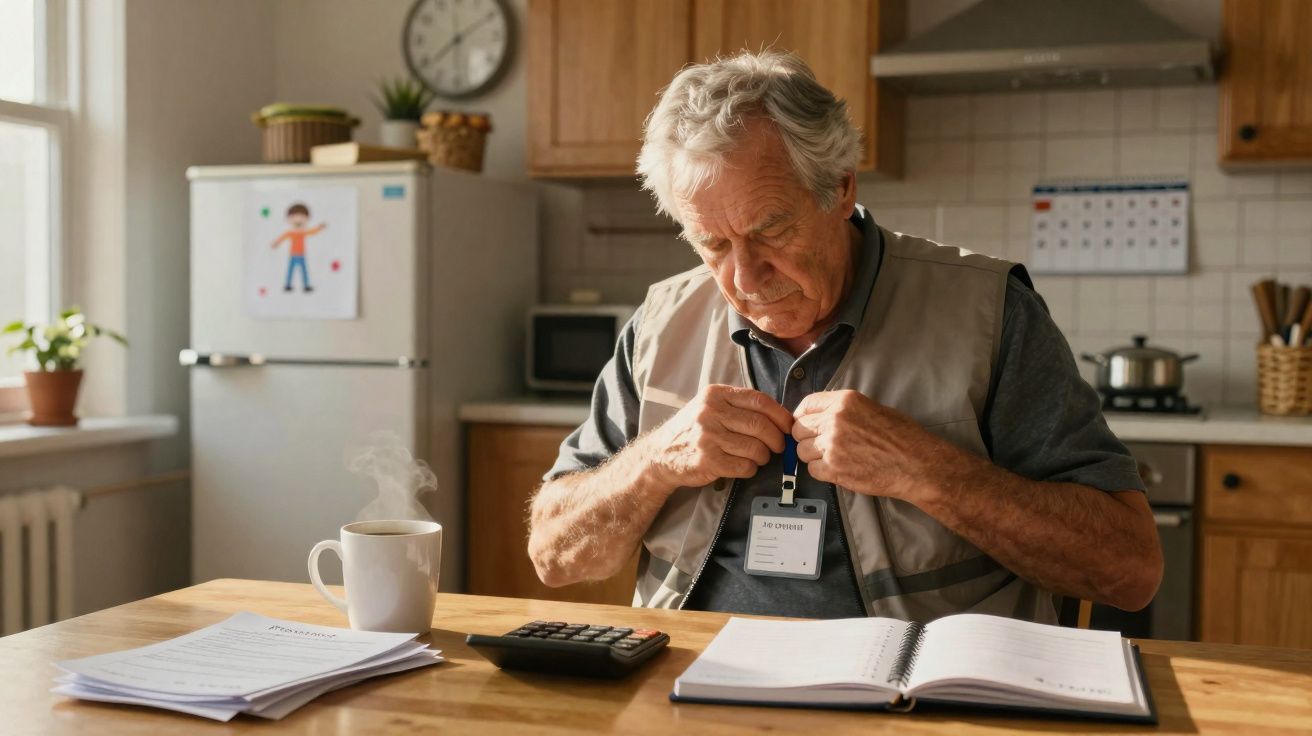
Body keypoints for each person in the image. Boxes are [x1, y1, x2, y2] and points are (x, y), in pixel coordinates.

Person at [528, 51, 1162, 623]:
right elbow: (554, 557)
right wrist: (658, 459)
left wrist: (927, 469)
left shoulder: (989, 312)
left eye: (771, 230)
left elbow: (1129, 572)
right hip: (690, 681)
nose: (744, 277)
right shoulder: (661, 322)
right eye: (712, 244)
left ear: (841, 188)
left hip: (918, 694)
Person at [272, 203, 326, 293]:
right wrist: (276, 244)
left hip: (301, 255)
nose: (298, 220)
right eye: (295, 217)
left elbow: (312, 232)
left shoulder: (302, 232)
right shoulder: (291, 233)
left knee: (304, 271)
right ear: (289, 219)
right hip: (293, 255)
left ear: (307, 219)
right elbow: (282, 238)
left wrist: (319, 228)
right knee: (290, 271)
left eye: (302, 217)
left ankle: (306, 286)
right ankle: (288, 285)